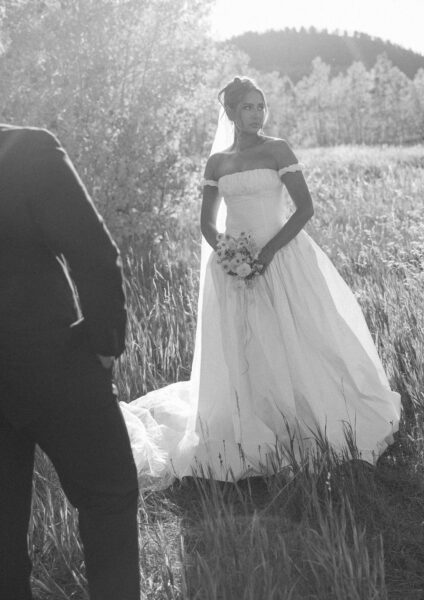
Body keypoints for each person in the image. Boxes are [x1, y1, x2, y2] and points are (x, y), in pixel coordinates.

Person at [121, 76, 401, 486]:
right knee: (243, 344)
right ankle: (250, 423)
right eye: (247, 107)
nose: (256, 114)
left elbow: (304, 209)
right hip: (232, 266)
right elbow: (206, 223)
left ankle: (306, 419)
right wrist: (228, 254)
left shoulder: (277, 149)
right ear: (231, 113)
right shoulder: (217, 163)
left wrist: (267, 253)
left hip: (282, 258)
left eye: (260, 106)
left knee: (298, 337)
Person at [0, 125, 140, 600]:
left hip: (47, 365)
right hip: (53, 363)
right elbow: (93, 251)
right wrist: (105, 344)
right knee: (108, 499)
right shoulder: (27, 149)